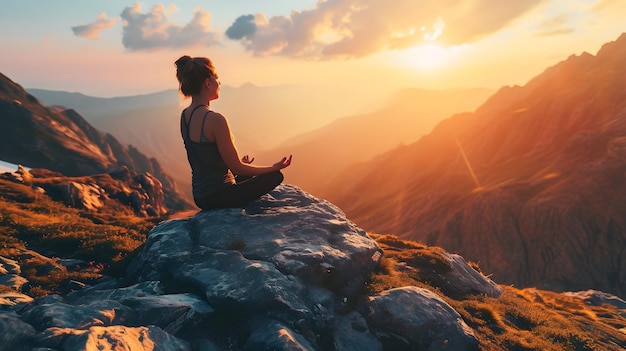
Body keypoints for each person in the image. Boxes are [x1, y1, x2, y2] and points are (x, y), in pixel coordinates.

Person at [175, 55, 292, 210]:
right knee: (275, 176)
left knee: (247, 174)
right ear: (207, 83)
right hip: (220, 195)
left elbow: (205, 160)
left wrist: (237, 166)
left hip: (200, 196)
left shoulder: (185, 117)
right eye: (216, 78)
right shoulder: (215, 120)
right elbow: (237, 168)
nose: (219, 82)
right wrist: (273, 167)